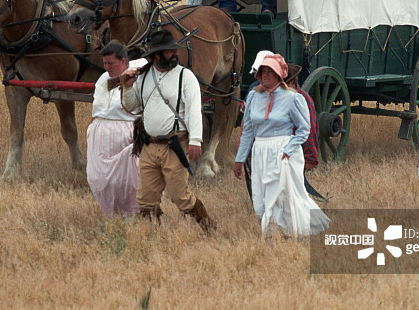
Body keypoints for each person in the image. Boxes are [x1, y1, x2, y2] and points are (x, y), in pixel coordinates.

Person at [121, 30, 214, 231]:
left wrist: (196, 140)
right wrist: (128, 87)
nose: (175, 54)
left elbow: (194, 110)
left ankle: (208, 228)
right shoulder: (144, 77)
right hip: (149, 145)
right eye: (169, 51)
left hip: (175, 145)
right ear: (156, 55)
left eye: (174, 50)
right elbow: (132, 106)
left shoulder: (185, 76)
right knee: (146, 200)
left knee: (181, 198)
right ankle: (152, 235)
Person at [233, 54, 330, 236]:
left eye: (271, 71)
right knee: (261, 198)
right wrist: (239, 159)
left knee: (282, 195)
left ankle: (280, 235)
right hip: (260, 151)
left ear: (279, 75)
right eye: (263, 71)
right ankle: (277, 231)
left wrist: (288, 148)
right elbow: (248, 131)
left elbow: (304, 129)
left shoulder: (293, 98)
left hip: (283, 151)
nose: (266, 75)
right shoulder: (254, 97)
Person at [240, 50, 319, 198]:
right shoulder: (262, 95)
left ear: (290, 82)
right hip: (269, 151)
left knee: (290, 192)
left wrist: (310, 157)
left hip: (292, 150)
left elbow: (310, 130)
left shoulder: (301, 99)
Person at [86, 41, 147, 217]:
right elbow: (97, 109)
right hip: (100, 136)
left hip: (126, 134)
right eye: (104, 63)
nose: (107, 67)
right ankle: (113, 214)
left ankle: (133, 215)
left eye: (110, 63)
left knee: (128, 181)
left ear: (123, 61)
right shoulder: (103, 79)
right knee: (98, 179)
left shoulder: (139, 75)